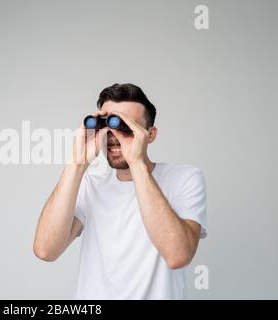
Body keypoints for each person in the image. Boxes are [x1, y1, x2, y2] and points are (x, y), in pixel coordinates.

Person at [33, 83, 208, 299]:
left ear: (150, 135)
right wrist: (77, 163)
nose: (114, 136)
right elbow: (45, 250)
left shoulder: (184, 178)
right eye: (107, 125)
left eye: (126, 127)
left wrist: (136, 162)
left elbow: (178, 255)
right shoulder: (91, 184)